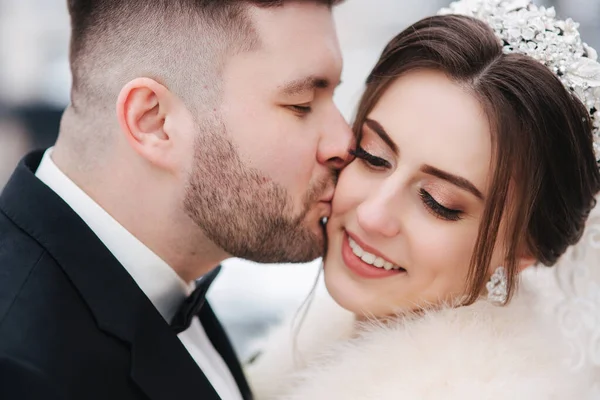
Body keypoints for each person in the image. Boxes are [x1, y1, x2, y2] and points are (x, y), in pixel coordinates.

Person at [246, 1, 600, 398]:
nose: (372, 213)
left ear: (524, 251)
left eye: (438, 202)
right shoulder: (297, 350)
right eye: (372, 156)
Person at [0, 1, 352, 399]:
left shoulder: (164, 283)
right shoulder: (20, 372)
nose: (344, 143)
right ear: (154, 121)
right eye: (301, 104)